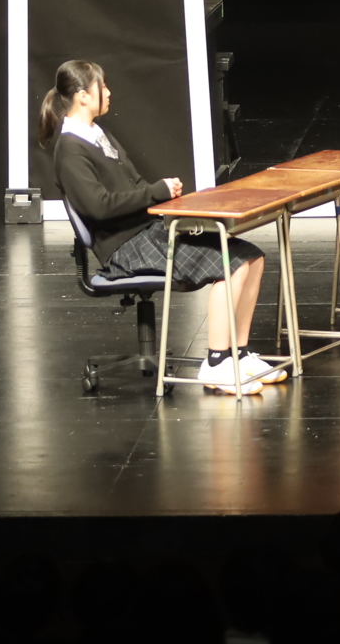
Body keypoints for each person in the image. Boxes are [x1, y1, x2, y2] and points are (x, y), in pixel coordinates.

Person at [43, 58, 284, 394]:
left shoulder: (98, 133)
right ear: (83, 96)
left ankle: (238, 354)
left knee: (252, 257)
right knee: (233, 264)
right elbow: (99, 206)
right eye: (103, 86)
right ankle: (216, 363)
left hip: (147, 231)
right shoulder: (70, 148)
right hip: (125, 247)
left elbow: (134, 182)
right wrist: (155, 192)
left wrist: (167, 202)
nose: (109, 93)